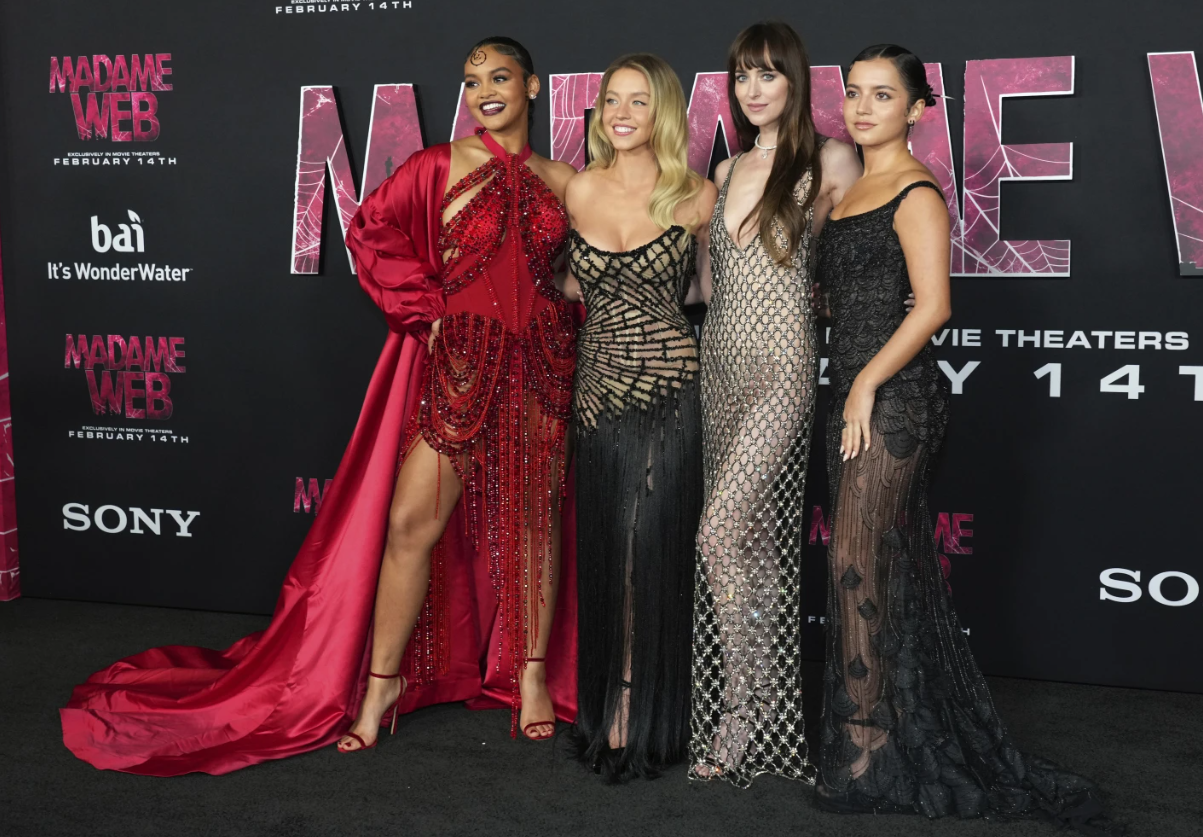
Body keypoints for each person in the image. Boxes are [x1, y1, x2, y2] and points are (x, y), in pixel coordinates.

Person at [60, 36, 580, 775]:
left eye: (498, 77)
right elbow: (370, 228)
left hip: (540, 369)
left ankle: (529, 676)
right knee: (409, 526)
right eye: (471, 81)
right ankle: (382, 683)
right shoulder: (439, 164)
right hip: (461, 367)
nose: (483, 91)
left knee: (533, 528)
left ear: (532, 85)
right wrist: (425, 308)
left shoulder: (563, 178)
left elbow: (582, 269)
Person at [813, 44, 1108, 830]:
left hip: (894, 402)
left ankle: (871, 746)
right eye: (853, 93)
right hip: (848, 399)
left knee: (854, 561)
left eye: (883, 95)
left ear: (916, 109)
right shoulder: (846, 190)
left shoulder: (915, 190)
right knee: (860, 566)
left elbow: (933, 306)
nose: (863, 107)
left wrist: (866, 384)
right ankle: (868, 738)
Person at [688, 20, 862, 787]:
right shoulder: (723, 172)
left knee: (718, 533)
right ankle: (749, 710)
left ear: (794, 79)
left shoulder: (828, 159)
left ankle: (741, 716)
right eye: (741, 77)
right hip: (716, 364)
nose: (752, 90)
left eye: (766, 74)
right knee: (747, 552)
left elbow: (857, 264)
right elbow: (703, 289)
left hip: (785, 364)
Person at [560, 53, 716, 781]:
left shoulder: (697, 195)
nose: (621, 113)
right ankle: (608, 705)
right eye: (610, 99)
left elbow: (716, 295)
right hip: (594, 396)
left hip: (670, 392)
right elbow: (559, 285)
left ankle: (646, 708)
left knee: (643, 548)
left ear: (663, 113)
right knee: (605, 552)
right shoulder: (576, 189)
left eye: (638, 101)